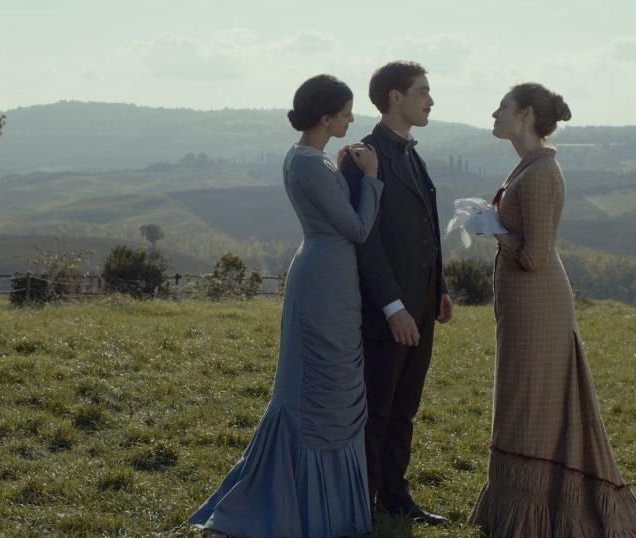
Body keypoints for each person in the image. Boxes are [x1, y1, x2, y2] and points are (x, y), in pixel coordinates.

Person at [188, 74, 383, 537]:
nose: (352, 120)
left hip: (327, 274)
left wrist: (340, 169)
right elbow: (357, 229)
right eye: (346, 113)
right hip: (324, 278)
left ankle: (327, 501)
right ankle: (295, 500)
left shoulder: (308, 159)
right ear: (326, 118)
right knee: (318, 380)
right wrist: (373, 179)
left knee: (332, 375)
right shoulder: (309, 164)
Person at [469, 82, 636, 537]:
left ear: (526, 115)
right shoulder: (528, 167)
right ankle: (521, 507)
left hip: (537, 301)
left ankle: (538, 510)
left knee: (530, 401)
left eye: (503, 106)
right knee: (524, 397)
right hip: (527, 301)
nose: (494, 113)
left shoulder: (539, 173)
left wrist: (492, 228)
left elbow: (533, 256)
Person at [339, 60, 451, 525]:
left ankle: (395, 497)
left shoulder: (411, 153)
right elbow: (365, 241)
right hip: (386, 310)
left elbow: (426, 226)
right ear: (395, 98)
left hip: (422, 304)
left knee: (405, 406)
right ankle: (360, 503)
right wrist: (392, 307)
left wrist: (439, 287)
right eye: (423, 91)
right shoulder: (361, 157)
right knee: (378, 409)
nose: (431, 100)